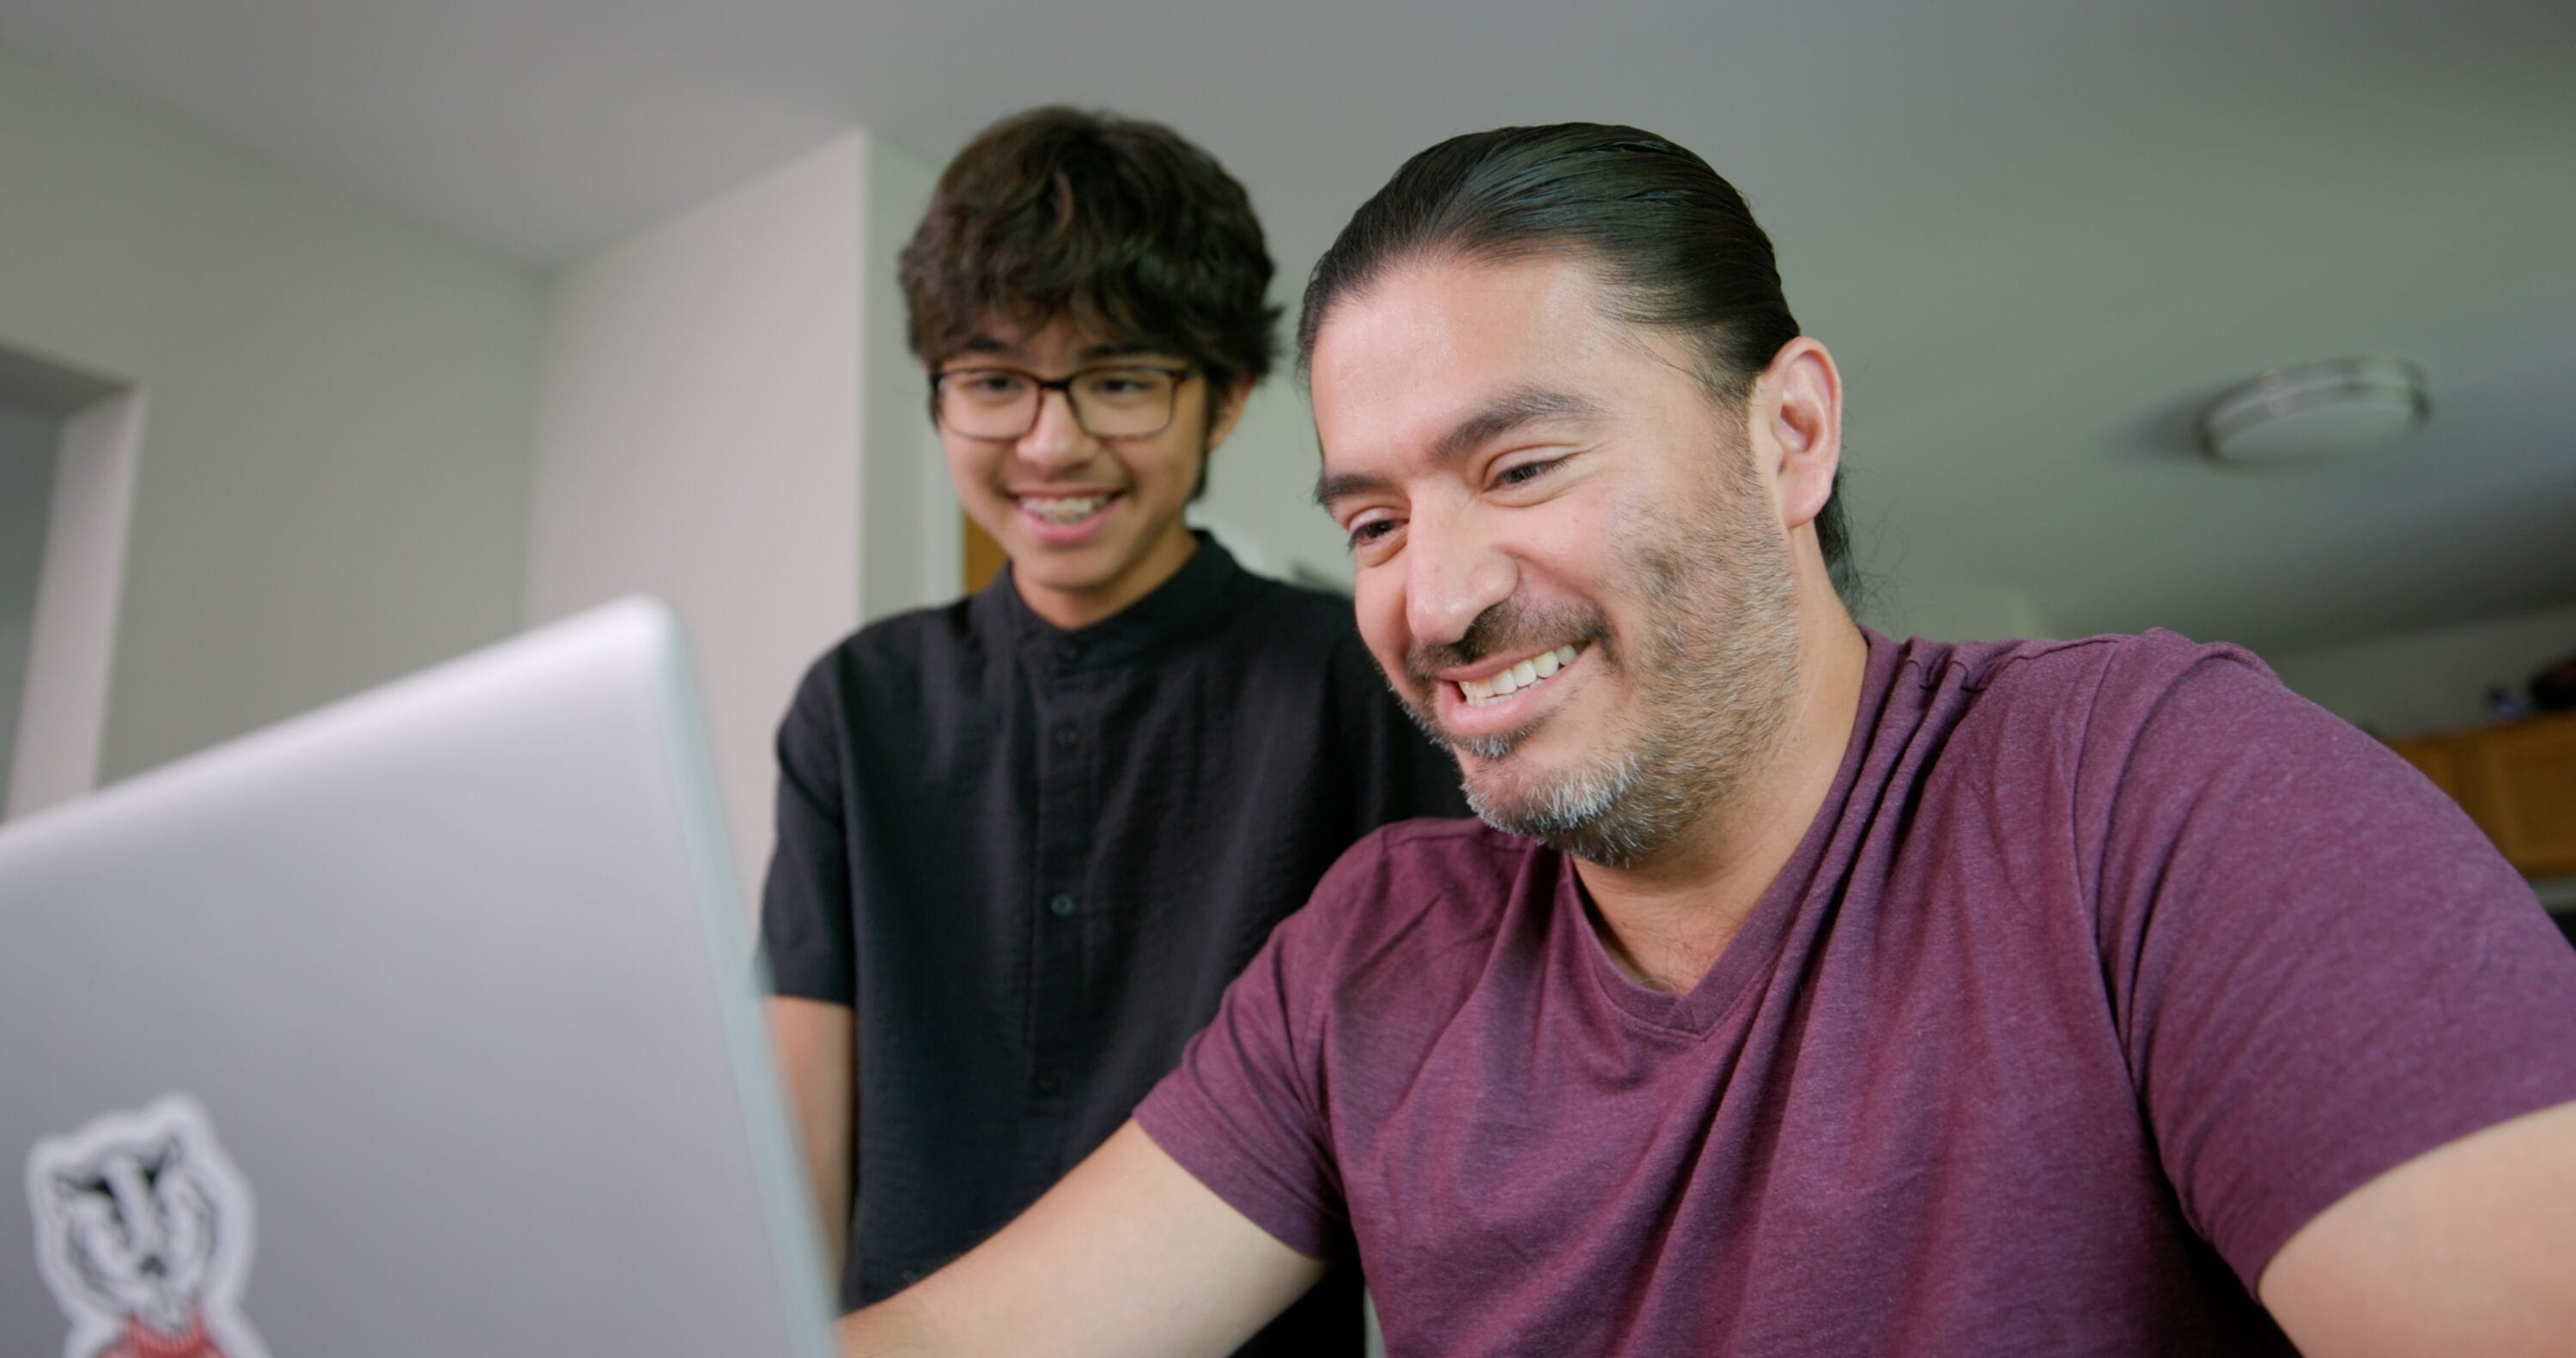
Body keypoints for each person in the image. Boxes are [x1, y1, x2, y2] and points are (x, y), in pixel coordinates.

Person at [831, 123, 2576, 1357]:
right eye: (1371, 521)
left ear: (1791, 430)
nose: (1431, 600)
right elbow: (982, 1333)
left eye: (1521, 467)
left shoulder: (2155, 791)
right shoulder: (1373, 952)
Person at [756, 106, 1465, 1355]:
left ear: (1228, 397)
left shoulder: (1355, 678)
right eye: (992, 382)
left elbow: (1444, 1114)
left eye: (1119, 381)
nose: (1051, 441)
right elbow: (799, 1130)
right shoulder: (856, 704)